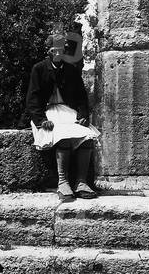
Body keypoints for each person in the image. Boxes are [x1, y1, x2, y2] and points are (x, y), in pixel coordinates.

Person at [26, 27, 100, 202]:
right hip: (48, 111)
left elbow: (82, 96)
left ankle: (81, 182)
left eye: (61, 50)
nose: (58, 53)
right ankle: (63, 182)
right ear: (49, 51)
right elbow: (33, 98)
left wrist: (82, 114)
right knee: (62, 136)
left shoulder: (71, 70)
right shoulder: (39, 69)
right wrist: (41, 120)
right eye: (55, 50)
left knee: (87, 136)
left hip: (68, 111)